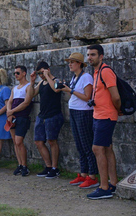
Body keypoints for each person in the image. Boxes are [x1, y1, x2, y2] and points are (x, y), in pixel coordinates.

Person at [86, 44, 120, 200]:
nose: (89, 57)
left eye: (93, 54)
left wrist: (116, 110)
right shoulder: (96, 72)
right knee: (106, 149)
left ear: (101, 56)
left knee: (97, 149)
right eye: (88, 55)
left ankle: (104, 187)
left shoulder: (106, 71)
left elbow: (116, 96)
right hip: (98, 115)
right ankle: (113, 183)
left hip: (106, 116)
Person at [59, 52, 98, 188]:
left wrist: (70, 90)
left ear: (80, 64)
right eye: (69, 62)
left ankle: (92, 176)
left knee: (87, 144)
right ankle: (83, 174)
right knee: (79, 145)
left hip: (83, 113)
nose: (70, 64)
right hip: (75, 111)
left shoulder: (86, 77)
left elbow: (87, 97)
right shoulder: (75, 77)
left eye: (73, 62)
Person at [29, 61, 64, 179]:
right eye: (39, 73)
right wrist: (32, 81)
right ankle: (48, 166)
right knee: (38, 141)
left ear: (48, 70)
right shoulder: (41, 82)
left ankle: (55, 168)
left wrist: (48, 76)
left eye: (42, 72)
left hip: (53, 115)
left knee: (52, 141)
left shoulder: (57, 80)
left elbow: (56, 89)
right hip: (42, 115)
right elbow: (31, 94)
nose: (41, 75)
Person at [7, 65, 34, 176]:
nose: (16, 75)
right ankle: (20, 164)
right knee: (15, 141)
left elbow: (26, 102)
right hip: (13, 117)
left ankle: (24, 165)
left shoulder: (28, 86)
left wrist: (11, 111)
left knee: (19, 141)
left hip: (22, 116)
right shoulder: (14, 88)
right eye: (15, 73)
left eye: (18, 73)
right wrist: (9, 112)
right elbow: (9, 101)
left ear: (24, 73)